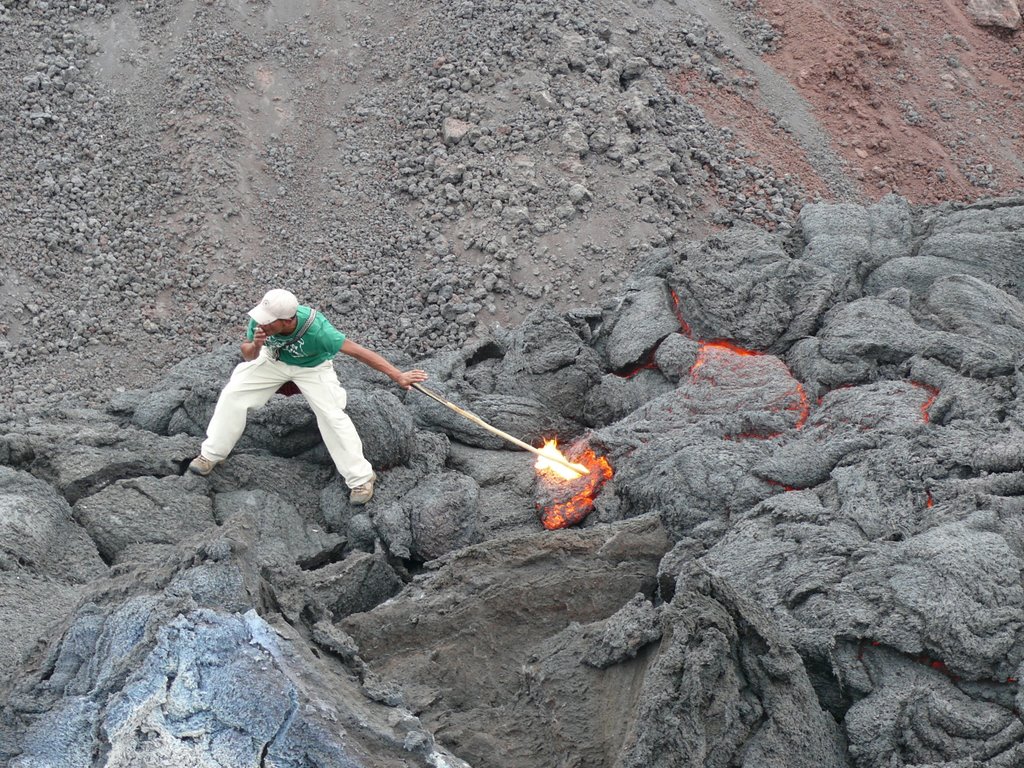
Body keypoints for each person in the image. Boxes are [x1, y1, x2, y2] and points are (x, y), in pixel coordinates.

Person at [188, 288, 428, 505]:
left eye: (269, 323)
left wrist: (398, 375)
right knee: (233, 393)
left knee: (332, 415)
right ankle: (211, 454)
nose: (262, 324)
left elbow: (357, 351)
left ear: (287, 321)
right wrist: (258, 345)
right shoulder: (261, 321)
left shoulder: (318, 331)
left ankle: (361, 479)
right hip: (273, 359)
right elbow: (248, 354)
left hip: (313, 367)